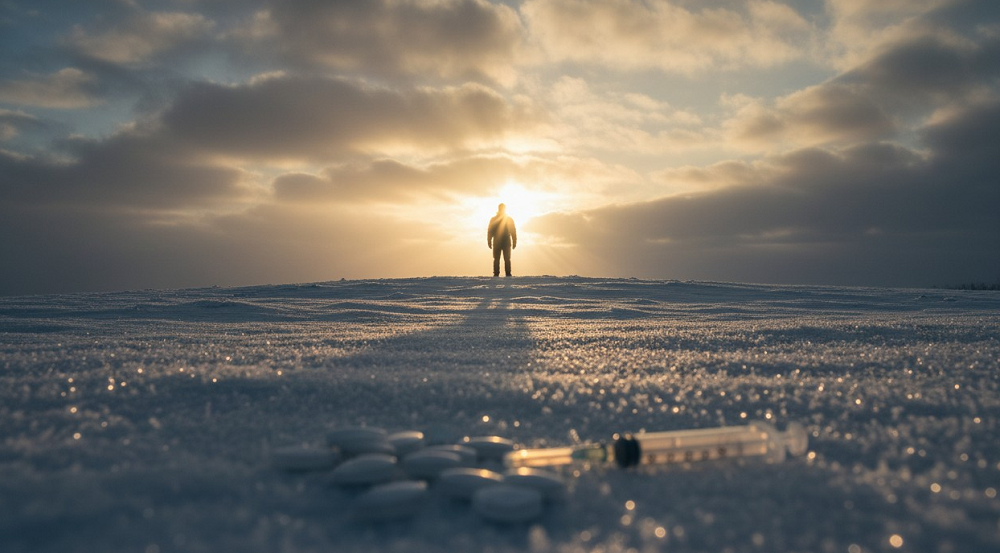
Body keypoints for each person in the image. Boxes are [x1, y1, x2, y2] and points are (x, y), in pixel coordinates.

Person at [487, 203, 517, 277]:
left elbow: (513, 231)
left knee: (505, 259)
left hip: (504, 242)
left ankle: (506, 273)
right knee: (498, 259)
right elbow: (490, 231)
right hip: (499, 242)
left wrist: (514, 241)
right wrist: (489, 241)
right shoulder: (495, 219)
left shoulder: (508, 219)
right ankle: (498, 274)